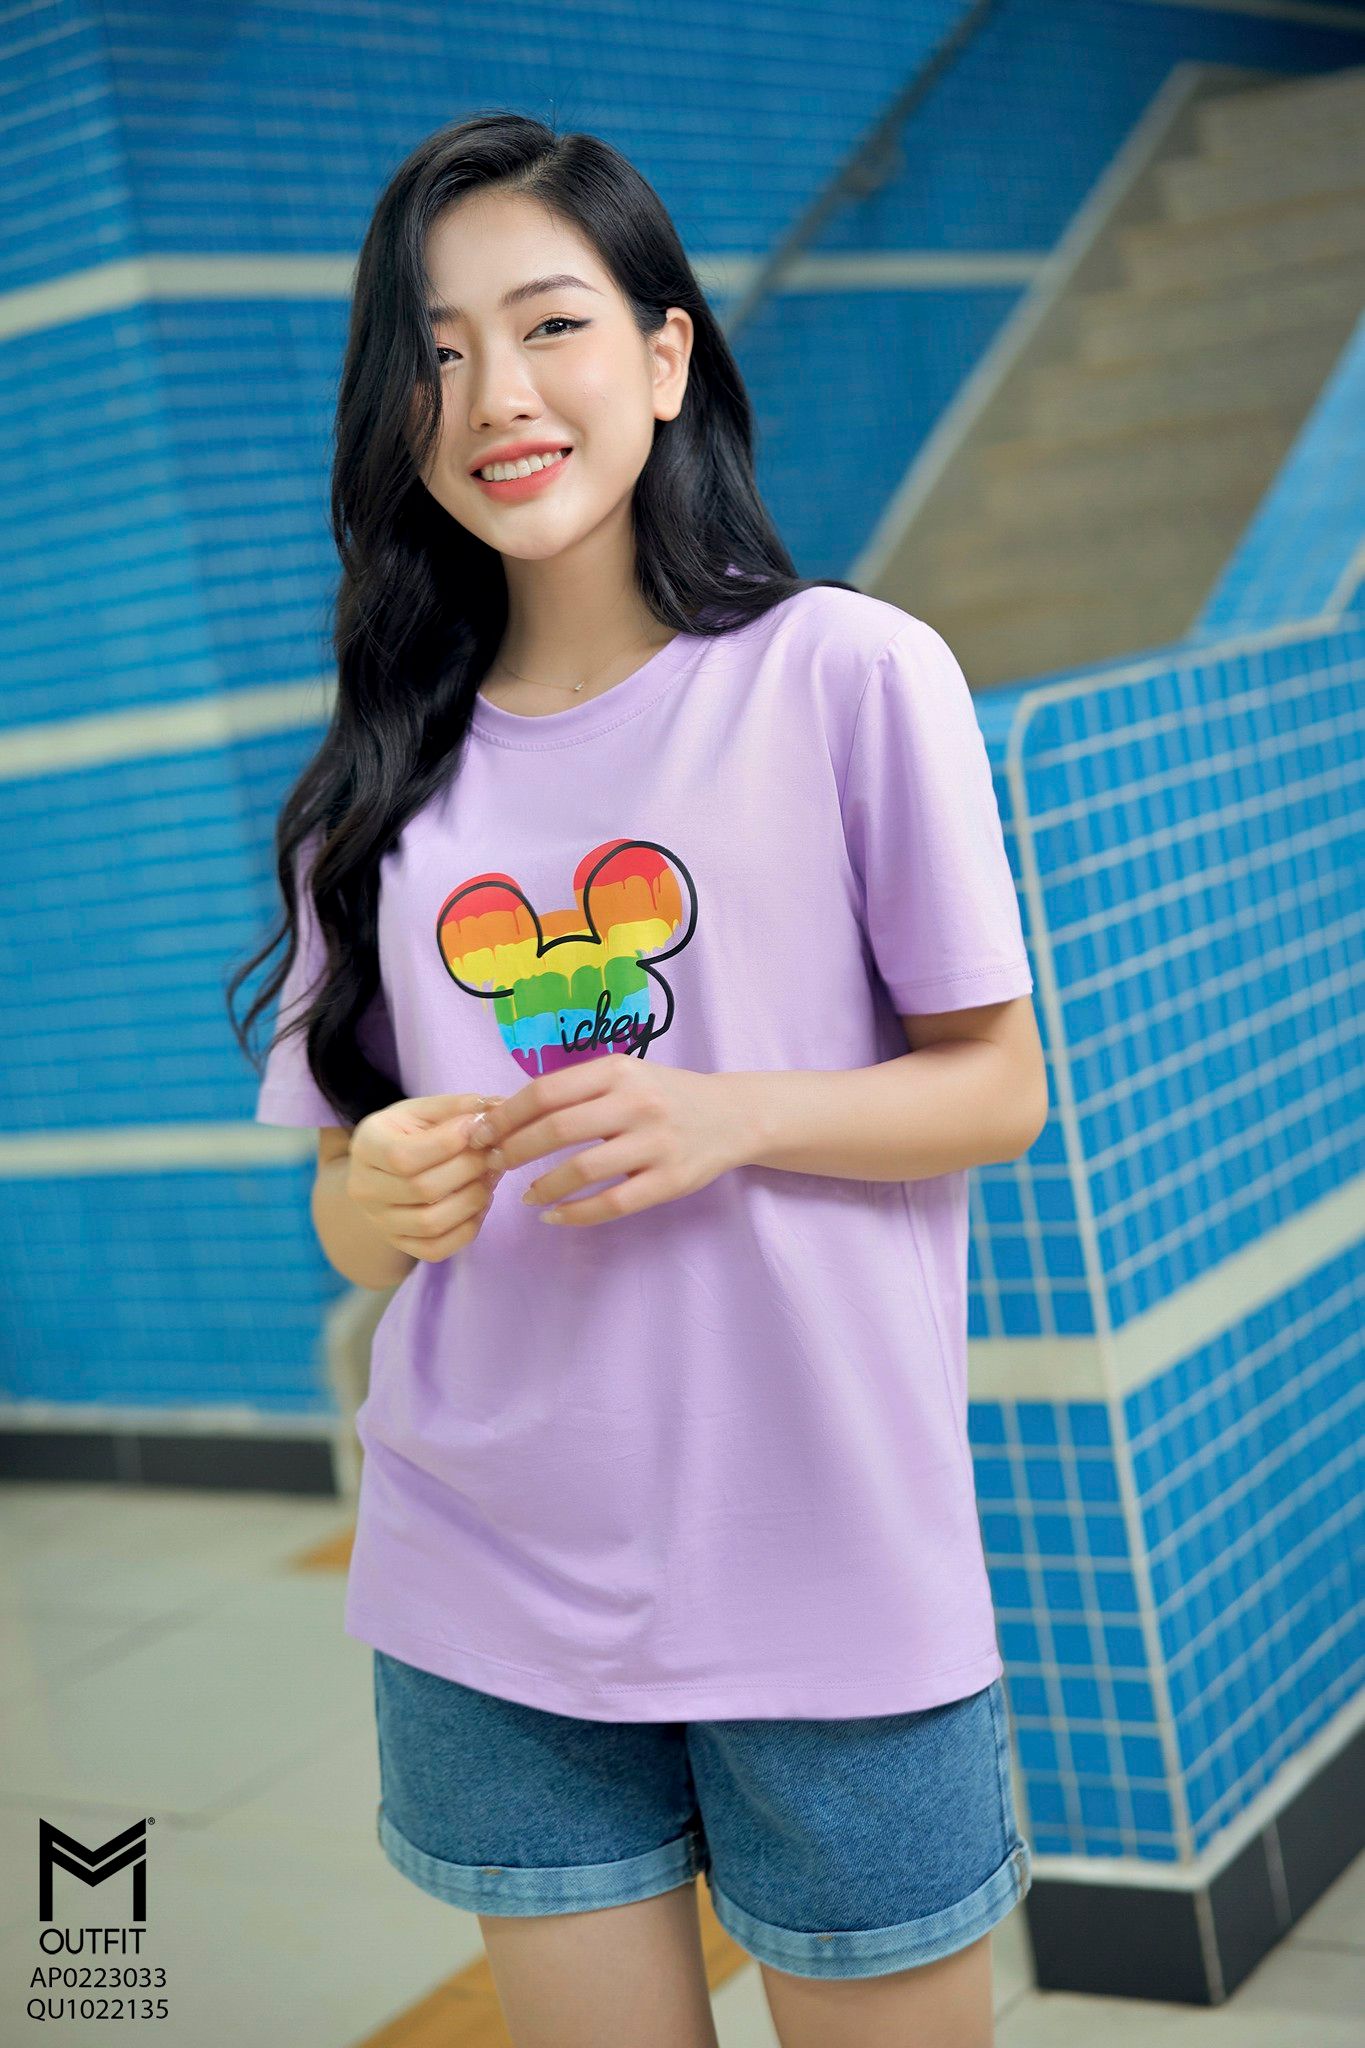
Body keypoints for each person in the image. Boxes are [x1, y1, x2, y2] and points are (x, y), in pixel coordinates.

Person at [231, 109, 1048, 2048]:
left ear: (666, 355)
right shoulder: (376, 784)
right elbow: (351, 1217)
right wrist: (382, 1190)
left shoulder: (846, 675)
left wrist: (730, 1112)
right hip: (485, 1575)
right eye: (434, 353)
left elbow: (996, 1088)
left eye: (549, 325)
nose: (494, 397)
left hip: (827, 1565)